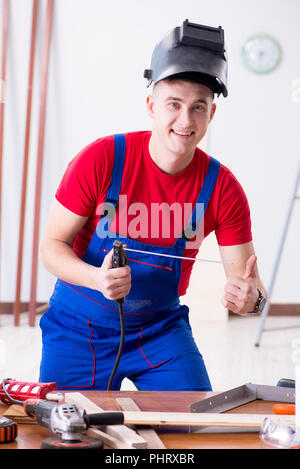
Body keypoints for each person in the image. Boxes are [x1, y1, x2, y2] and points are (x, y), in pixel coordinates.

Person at [38, 20, 267, 391]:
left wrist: (250, 301)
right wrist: (97, 279)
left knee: (193, 426)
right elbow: (50, 249)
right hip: (79, 328)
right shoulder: (102, 159)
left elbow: (251, 288)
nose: (185, 120)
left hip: (161, 332)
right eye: (173, 104)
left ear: (211, 114)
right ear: (151, 105)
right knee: (69, 431)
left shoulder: (222, 188)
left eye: (198, 107)